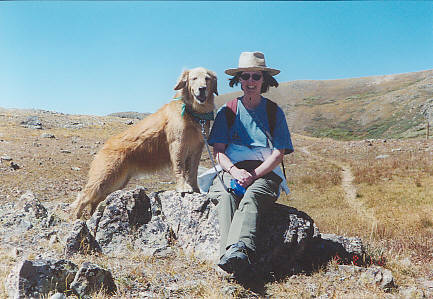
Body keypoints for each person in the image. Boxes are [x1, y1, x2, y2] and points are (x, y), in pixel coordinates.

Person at [207, 51, 294, 282]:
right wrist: (235, 172)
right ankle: (231, 258)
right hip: (232, 170)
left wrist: (253, 174)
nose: (251, 82)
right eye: (246, 76)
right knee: (226, 196)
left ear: (264, 80)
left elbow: (278, 154)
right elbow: (219, 152)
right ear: (239, 79)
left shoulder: (274, 112)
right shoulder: (228, 111)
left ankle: (238, 251)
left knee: (253, 195)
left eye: (256, 76)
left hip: (264, 172)